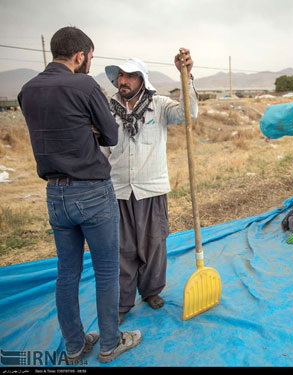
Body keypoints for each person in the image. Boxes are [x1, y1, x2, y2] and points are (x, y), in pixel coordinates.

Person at [17, 26, 142, 364]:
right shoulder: (85, 85)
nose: (90, 62)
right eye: (90, 56)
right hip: (91, 192)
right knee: (105, 270)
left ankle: (74, 346)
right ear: (80, 55)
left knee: (66, 272)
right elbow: (112, 135)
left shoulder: (27, 90)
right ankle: (109, 343)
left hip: (55, 194)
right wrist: (92, 127)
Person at [102, 51, 198, 324]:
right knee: (122, 247)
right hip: (119, 188)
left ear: (142, 80)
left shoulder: (160, 106)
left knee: (154, 243)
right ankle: (122, 301)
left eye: (130, 75)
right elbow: (103, 150)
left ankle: (152, 290)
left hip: (152, 188)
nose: (124, 80)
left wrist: (186, 76)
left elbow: (188, 114)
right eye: (120, 75)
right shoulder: (108, 109)